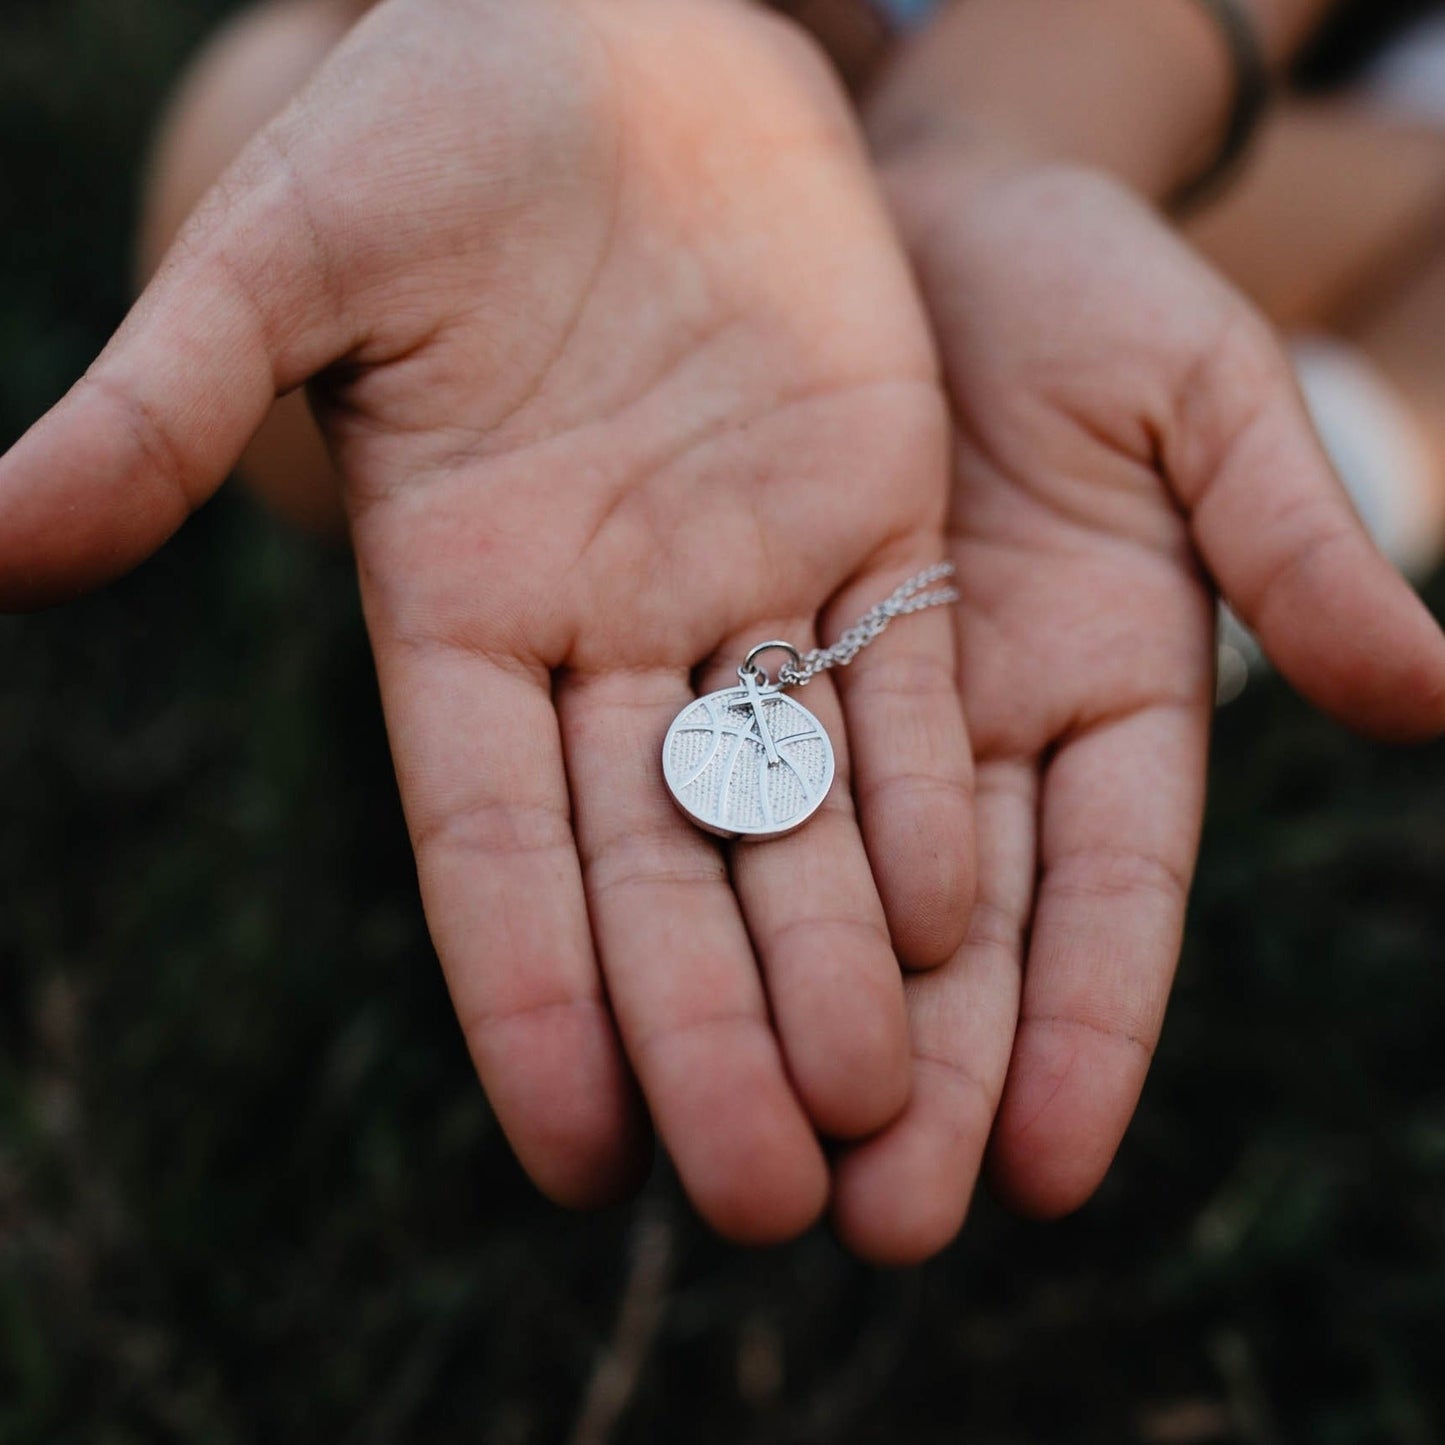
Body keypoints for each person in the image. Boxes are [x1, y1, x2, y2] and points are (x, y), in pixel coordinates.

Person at [1, 0, 1442, 1267]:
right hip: (678, 114)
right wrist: (599, 57)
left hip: (1184, 86)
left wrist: (1009, 121)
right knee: (259, 117)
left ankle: (1340, 449)